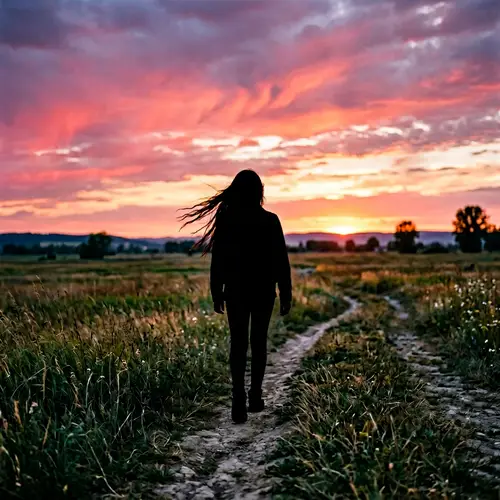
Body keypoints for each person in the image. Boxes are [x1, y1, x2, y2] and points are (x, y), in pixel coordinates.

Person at [180, 169, 292, 424]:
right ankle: (255, 397)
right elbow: (280, 261)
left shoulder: (228, 220)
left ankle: (238, 401)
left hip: (235, 291)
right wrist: (285, 293)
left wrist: (216, 292)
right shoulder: (270, 220)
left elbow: (218, 260)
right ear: (259, 192)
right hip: (264, 291)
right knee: (259, 342)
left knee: (238, 344)